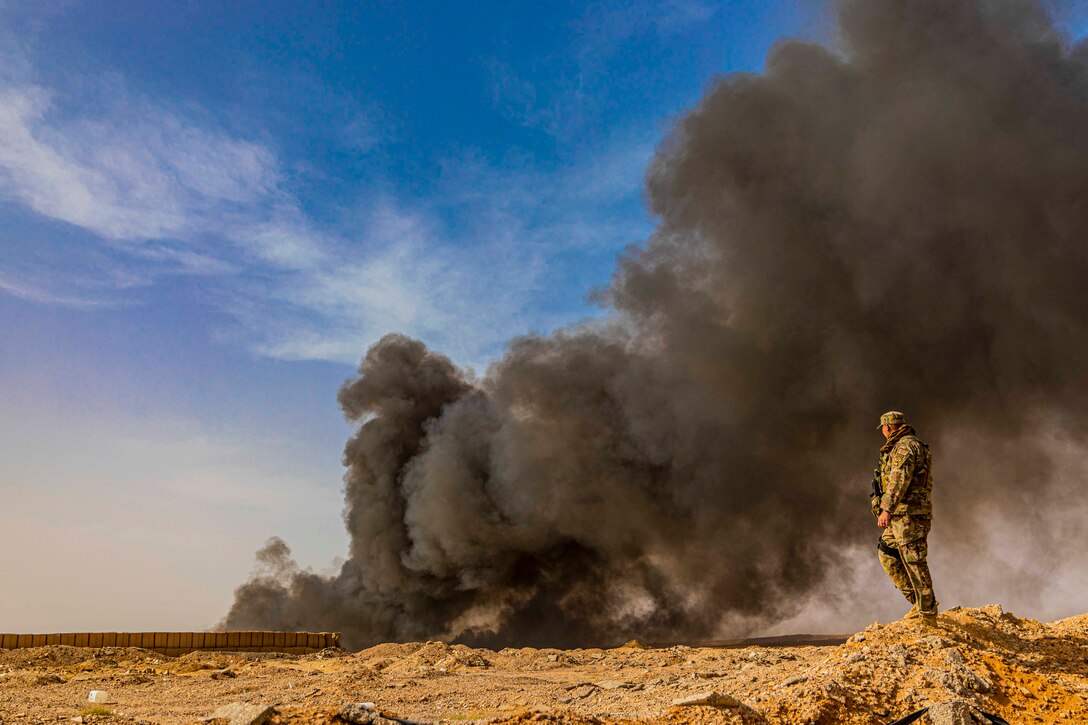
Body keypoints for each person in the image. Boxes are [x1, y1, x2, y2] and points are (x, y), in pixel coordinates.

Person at [870, 411, 938, 622]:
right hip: (902, 515)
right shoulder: (904, 446)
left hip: (909, 515)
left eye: (882, 428)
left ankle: (928, 616)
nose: (883, 432)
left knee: (915, 562)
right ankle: (919, 603)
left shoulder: (905, 447)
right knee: (887, 553)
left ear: (888, 427)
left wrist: (886, 509)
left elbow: (899, 480)